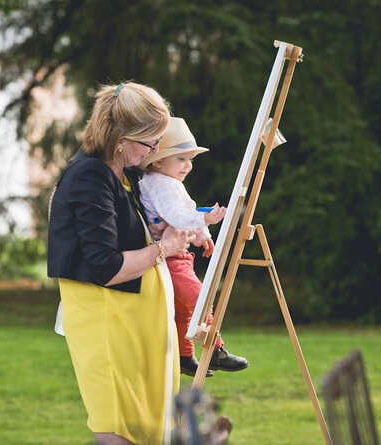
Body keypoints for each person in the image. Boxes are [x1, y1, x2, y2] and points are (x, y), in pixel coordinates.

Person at [48, 82, 195, 445]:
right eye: (150, 142)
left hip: (132, 322)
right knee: (118, 425)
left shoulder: (122, 170)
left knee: (143, 425)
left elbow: (123, 235)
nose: (156, 151)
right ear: (120, 137)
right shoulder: (89, 176)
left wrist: (155, 232)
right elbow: (107, 267)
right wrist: (165, 248)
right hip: (107, 325)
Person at [138, 117, 249, 378]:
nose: (188, 166)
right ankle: (215, 350)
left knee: (184, 309)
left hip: (175, 255)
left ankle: (184, 355)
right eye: (181, 159)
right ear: (157, 161)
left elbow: (186, 210)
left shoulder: (166, 182)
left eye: (190, 160)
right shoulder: (161, 184)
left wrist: (202, 233)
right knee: (201, 299)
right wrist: (205, 220)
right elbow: (176, 215)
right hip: (170, 258)